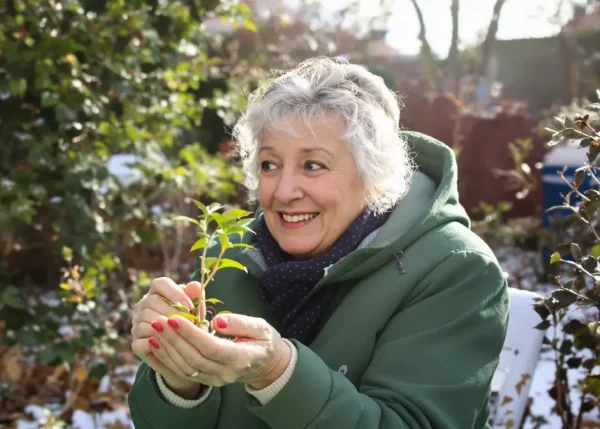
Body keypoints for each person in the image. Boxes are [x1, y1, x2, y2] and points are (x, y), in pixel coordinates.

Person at [127, 56, 510, 428]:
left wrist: (278, 372)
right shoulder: (227, 259)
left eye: (313, 165)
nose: (284, 191)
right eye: (269, 165)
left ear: (373, 173)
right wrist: (178, 379)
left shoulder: (455, 268)